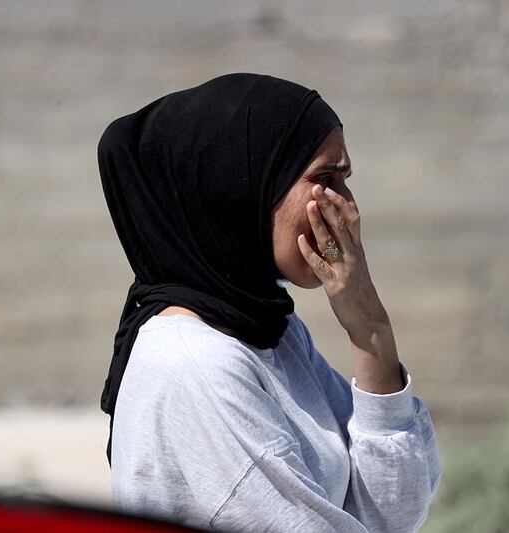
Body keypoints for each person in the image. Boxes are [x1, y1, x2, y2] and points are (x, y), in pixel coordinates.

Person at [97, 73, 441, 532]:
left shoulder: (267, 330)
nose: (347, 208)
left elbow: (393, 511)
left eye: (345, 180)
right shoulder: (194, 363)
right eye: (323, 179)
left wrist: (368, 325)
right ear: (241, 190)